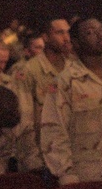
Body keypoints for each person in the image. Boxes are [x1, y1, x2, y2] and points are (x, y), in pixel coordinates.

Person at [40, 16, 102, 189]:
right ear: (75, 43)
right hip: (86, 179)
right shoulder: (65, 82)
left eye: (101, 30)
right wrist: (67, 176)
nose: (99, 36)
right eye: (90, 33)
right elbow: (54, 132)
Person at [14, 17, 71, 145]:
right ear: (45, 37)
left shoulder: (72, 67)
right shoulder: (29, 70)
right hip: (43, 149)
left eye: (68, 32)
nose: (66, 38)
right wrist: (33, 159)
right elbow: (24, 120)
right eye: (60, 33)